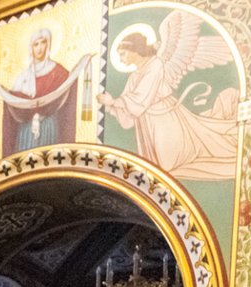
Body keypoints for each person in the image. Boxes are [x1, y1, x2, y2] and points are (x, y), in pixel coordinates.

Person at [97, 12, 238, 182]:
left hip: (164, 118)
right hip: (147, 123)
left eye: (123, 53)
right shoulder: (134, 76)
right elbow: (129, 111)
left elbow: (141, 99)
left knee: (169, 164)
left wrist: (114, 101)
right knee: (158, 169)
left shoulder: (155, 64)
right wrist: (111, 106)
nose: (121, 59)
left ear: (134, 50)